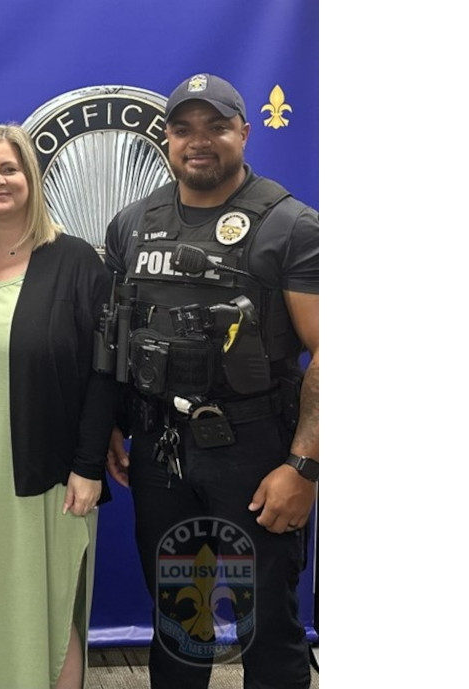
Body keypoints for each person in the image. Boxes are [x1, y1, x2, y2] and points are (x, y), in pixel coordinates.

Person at [102, 73, 319, 689]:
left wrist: (304, 467)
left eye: (216, 127)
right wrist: (117, 424)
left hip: (255, 453)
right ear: (165, 139)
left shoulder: (292, 226)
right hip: (160, 453)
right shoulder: (131, 225)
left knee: (266, 624)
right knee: (178, 620)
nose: (199, 142)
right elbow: (120, 331)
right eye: (183, 129)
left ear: (244, 133)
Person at [0, 124, 118, 689]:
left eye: (9, 169)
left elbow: (104, 374)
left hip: (53, 475)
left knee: (51, 604)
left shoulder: (78, 262)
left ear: (31, 178)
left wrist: (87, 467)